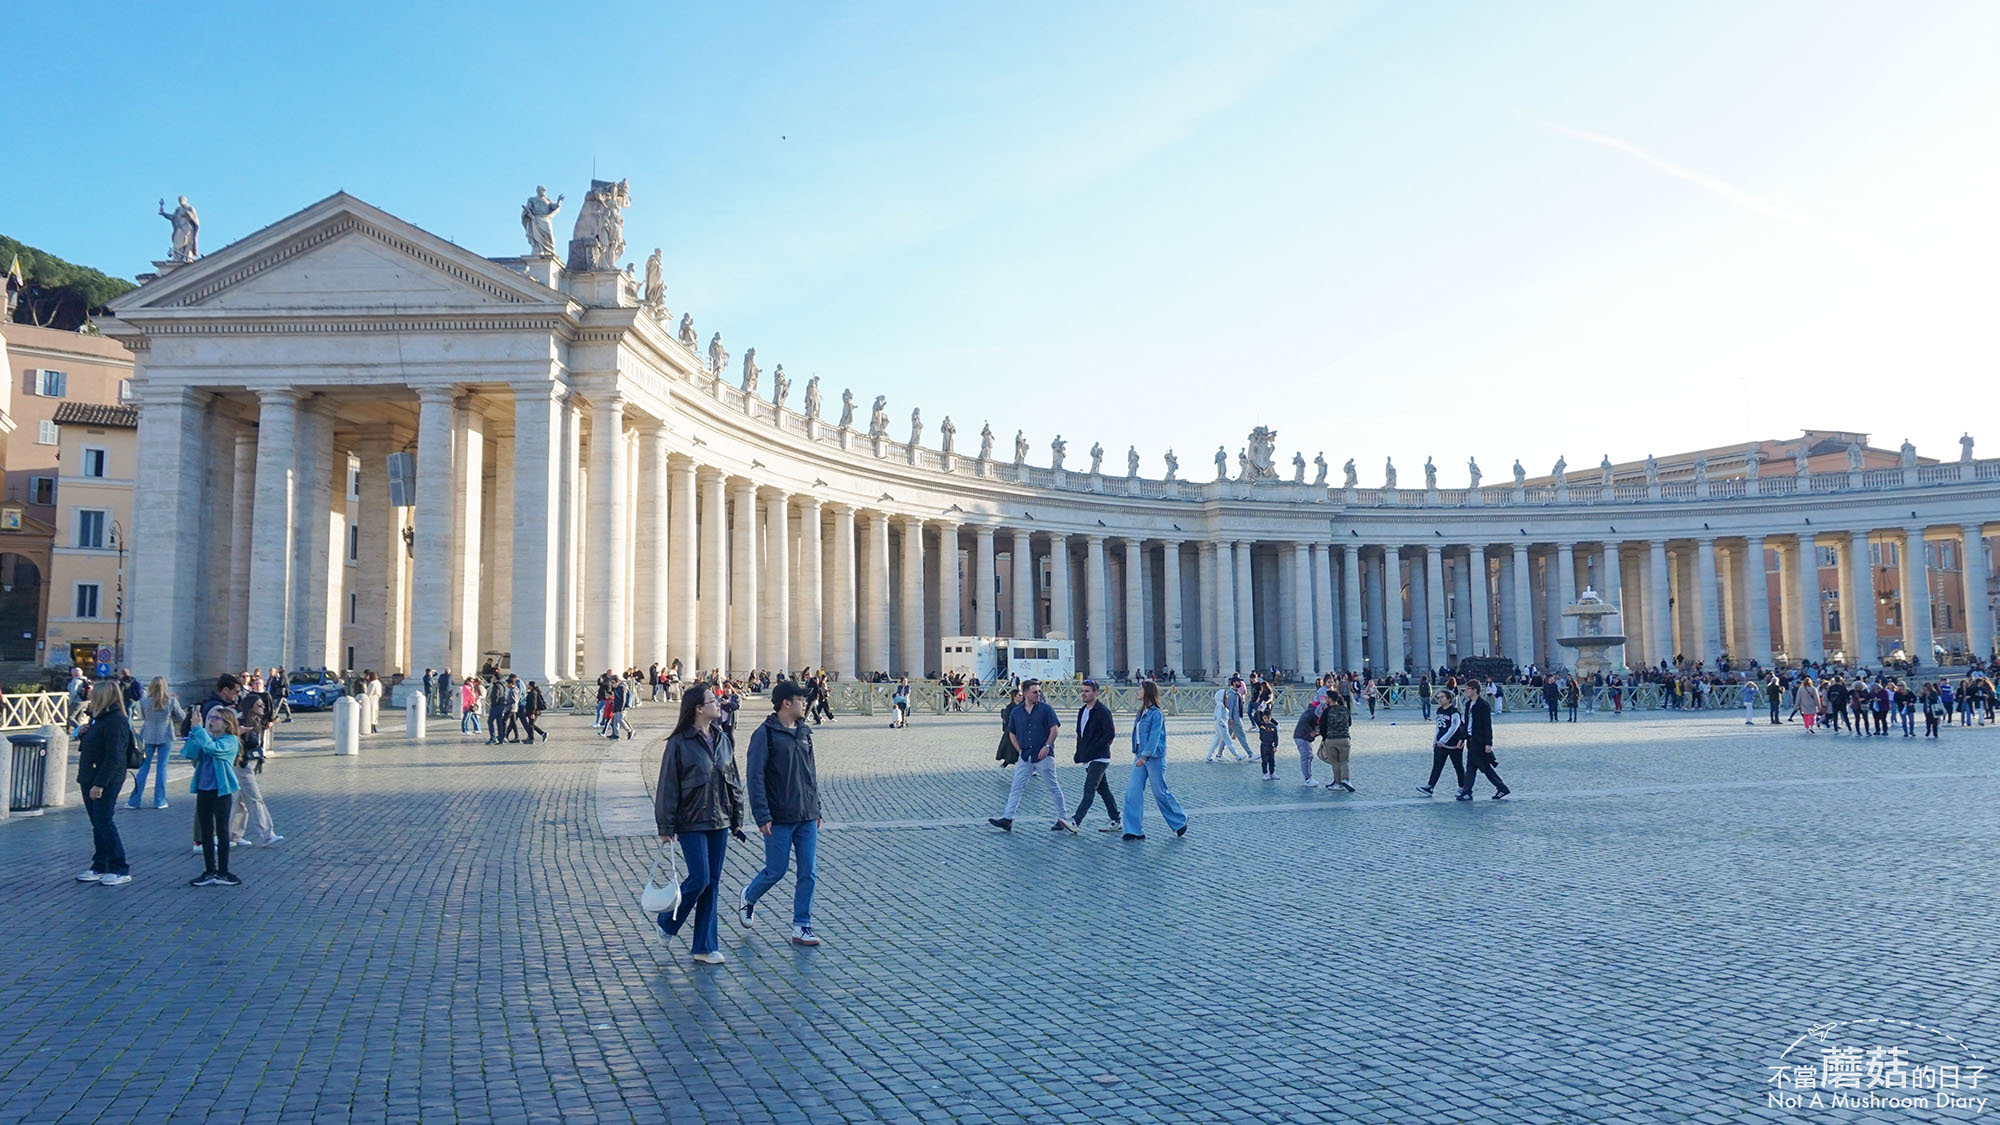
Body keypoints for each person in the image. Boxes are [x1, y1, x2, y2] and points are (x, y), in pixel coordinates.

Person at [653, 683, 747, 964]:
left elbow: (733, 779)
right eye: (712, 700)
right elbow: (667, 787)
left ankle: (704, 947)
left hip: (719, 818)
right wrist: (666, 828)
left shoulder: (723, 738)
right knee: (700, 878)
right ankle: (668, 922)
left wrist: (737, 817)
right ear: (698, 708)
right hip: (691, 820)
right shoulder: (679, 743)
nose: (718, 703)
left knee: (713, 884)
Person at [736, 681, 822, 946]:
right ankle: (749, 896)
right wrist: (762, 815)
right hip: (779, 815)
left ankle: (801, 925)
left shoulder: (804, 732)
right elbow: (755, 777)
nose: (805, 703)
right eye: (800, 699)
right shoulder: (765, 734)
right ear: (786, 703)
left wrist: (816, 806)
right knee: (777, 870)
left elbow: (810, 773)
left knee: (808, 871)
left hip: (806, 814)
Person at [988, 678, 1072, 833]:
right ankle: (1008, 818)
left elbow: (1054, 729)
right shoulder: (1016, 712)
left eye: (1039, 691)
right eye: (1035, 692)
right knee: (1016, 787)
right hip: (1025, 756)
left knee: (1053, 787)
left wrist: (1047, 746)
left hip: (1044, 756)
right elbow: (1011, 733)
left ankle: (1063, 817)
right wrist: (1020, 751)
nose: (1038, 694)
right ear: (1025, 693)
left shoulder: (1046, 709)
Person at [75, 682, 134, 886]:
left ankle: (119, 867)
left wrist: (100, 784)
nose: (90, 699)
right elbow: (93, 748)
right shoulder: (97, 719)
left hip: (105, 778)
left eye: (94, 695)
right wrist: (83, 735)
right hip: (89, 776)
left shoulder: (116, 720)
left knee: (104, 821)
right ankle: (100, 864)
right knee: (97, 823)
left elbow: (115, 756)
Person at [183, 706, 244, 886]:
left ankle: (223, 871)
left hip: (221, 791)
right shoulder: (206, 737)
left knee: (222, 830)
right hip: (203, 789)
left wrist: (198, 730)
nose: (211, 721)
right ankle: (209, 870)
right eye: (210, 718)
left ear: (226, 724)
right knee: (206, 831)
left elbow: (213, 750)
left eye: (216, 718)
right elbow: (190, 753)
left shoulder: (231, 740)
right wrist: (194, 733)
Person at [1119, 680, 1187, 840]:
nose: (1137, 691)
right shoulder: (1141, 711)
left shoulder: (1156, 713)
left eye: (1140, 689)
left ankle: (1180, 820)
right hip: (1140, 756)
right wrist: (1139, 754)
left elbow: (1154, 736)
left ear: (1147, 692)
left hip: (1154, 757)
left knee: (1160, 793)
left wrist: (1145, 755)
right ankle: (1133, 830)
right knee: (1132, 792)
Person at [229, 688, 281, 848]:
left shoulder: (257, 721)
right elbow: (230, 741)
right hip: (241, 766)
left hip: (252, 765)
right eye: (259, 705)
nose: (263, 708)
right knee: (255, 798)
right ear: (250, 706)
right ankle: (267, 834)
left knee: (239, 802)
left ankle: (233, 835)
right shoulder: (240, 721)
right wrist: (238, 732)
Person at [1069, 679, 1120, 831]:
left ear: (1096, 694)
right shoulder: (1082, 711)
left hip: (1100, 757)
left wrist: (1095, 747)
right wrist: (1080, 753)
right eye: (1082, 691)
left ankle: (1075, 821)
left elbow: (1109, 733)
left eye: (1087, 691)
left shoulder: (1103, 711)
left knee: (1089, 788)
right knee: (1103, 789)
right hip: (1088, 757)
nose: (1083, 694)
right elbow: (1080, 734)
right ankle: (1116, 819)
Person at [129, 677, 183, 811]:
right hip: (166, 734)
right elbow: (181, 716)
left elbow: (143, 717)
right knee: (162, 768)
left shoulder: (144, 701)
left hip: (148, 734)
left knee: (144, 768)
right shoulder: (171, 701)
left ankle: (134, 800)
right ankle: (160, 800)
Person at [1459, 680, 1510, 800]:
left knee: (1483, 768)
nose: (1466, 691)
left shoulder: (1483, 705)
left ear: (1475, 690)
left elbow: (1487, 725)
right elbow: (1467, 723)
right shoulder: (1468, 705)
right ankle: (1467, 792)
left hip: (1480, 741)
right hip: (1471, 741)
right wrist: (1462, 738)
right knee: (1473, 767)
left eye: (1468, 689)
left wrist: (1488, 743)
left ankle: (1501, 788)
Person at [1417, 689, 1467, 797]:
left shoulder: (1454, 712)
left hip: (1454, 744)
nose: (1440, 699)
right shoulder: (1439, 710)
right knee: (1437, 765)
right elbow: (1438, 727)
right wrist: (1435, 740)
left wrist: (1443, 740)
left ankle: (1463, 787)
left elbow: (1454, 727)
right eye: (1439, 697)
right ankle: (1430, 787)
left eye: (1442, 697)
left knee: (1458, 766)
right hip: (1440, 743)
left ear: (1449, 699)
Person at [1317, 683, 1356, 792]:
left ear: (1329, 699)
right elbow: (1349, 723)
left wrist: (1324, 738)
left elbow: (1322, 727)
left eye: (1326, 698)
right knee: (1344, 761)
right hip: (1344, 738)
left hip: (1331, 739)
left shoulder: (1326, 711)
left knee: (1335, 762)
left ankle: (1338, 783)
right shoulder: (1344, 709)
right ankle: (1346, 780)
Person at [1205, 677, 1252, 762]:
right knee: (1229, 741)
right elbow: (1218, 716)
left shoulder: (1224, 702)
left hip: (1223, 724)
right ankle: (1238, 756)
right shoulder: (1221, 704)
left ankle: (1213, 756)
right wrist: (1224, 722)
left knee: (1217, 741)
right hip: (1222, 725)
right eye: (1225, 695)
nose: (1227, 696)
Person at [1292, 692, 1322, 787]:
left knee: (1308, 756)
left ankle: (1308, 777)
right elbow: (1310, 731)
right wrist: (1315, 732)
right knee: (1306, 757)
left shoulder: (1310, 712)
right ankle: (1308, 779)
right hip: (1302, 737)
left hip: (1302, 736)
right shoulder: (1311, 715)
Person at [1253, 682, 1279, 779]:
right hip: (1263, 744)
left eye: (1268, 718)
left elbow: (1276, 737)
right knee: (1264, 760)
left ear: (1270, 718)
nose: (1266, 720)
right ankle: (1265, 773)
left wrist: (1276, 745)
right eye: (1265, 718)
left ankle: (1272, 773)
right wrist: (1259, 711)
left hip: (1271, 745)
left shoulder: (1273, 726)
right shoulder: (1261, 725)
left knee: (1272, 760)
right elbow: (1256, 718)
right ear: (1263, 718)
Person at [995, 688, 1022, 767]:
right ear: (1014, 697)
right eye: (1019, 695)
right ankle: (1004, 765)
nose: (1021, 697)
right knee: (1011, 751)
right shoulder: (1009, 707)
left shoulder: (1024, 706)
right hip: (1012, 732)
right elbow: (1006, 719)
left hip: (1022, 732)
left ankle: (1031, 769)